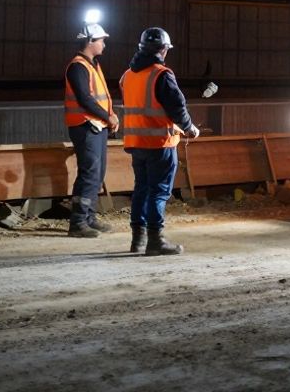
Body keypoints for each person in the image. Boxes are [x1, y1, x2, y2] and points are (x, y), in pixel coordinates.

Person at [119, 27, 199, 255]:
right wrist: (189, 128)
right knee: (159, 192)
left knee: (141, 189)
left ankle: (138, 241)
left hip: (136, 143)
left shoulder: (128, 76)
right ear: (163, 49)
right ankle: (155, 241)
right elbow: (176, 107)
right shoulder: (161, 74)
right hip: (159, 144)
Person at [64, 19, 120, 238]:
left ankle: (88, 217)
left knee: (97, 173)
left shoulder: (91, 65)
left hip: (96, 126)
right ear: (90, 41)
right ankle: (78, 222)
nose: (104, 44)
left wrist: (109, 118)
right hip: (85, 126)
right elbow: (85, 99)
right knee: (89, 173)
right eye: (102, 40)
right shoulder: (78, 66)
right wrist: (108, 117)